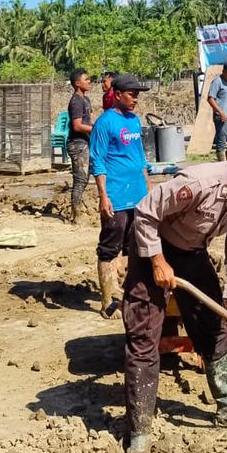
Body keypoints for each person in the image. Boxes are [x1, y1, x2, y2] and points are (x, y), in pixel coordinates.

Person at [122, 143, 227, 453]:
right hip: (151, 244)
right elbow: (145, 212)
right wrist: (156, 260)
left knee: (214, 322)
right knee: (144, 336)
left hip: (191, 251)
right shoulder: (199, 183)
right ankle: (139, 430)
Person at [90, 74, 152, 318]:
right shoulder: (105, 123)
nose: (136, 98)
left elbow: (140, 157)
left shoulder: (134, 121)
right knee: (109, 247)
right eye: (131, 94)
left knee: (134, 247)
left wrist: (147, 188)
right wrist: (103, 196)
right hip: (116, 195)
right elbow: (97, 160)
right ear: (118, 94)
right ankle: (107, 301)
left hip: (137, 194)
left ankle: (130, 294)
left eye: (137, 94)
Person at [66, 69, 95, 224]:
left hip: (85, 142)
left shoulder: (86, 100)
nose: (89, 81)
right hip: (77, 144)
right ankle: (76, 217)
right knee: (80, 179)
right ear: (77, 83)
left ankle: (77, 212)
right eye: (86, 79)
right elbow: (77, 126)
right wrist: (96, 129)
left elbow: (89, 120)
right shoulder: (76, 101)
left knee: (84, 178)